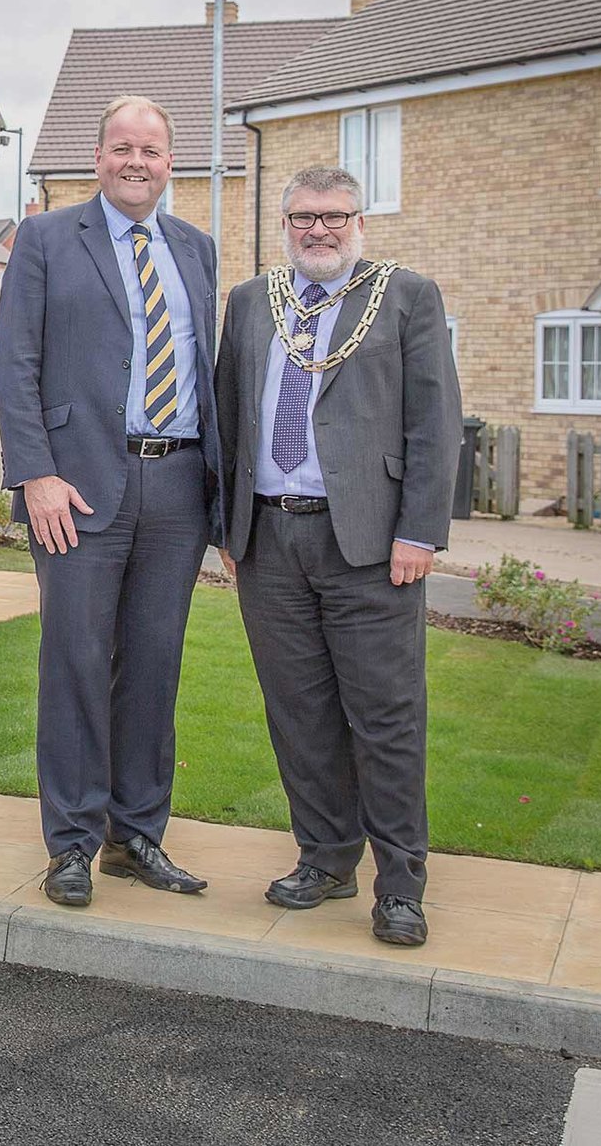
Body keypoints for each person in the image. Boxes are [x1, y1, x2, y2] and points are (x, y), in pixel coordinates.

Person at [215, 166, 459, 947]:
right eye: (303, 217)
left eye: (333, 216)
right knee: (300, 711)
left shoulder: (406, 295)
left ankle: (400, 885)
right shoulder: (252, 302)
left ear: (360, 220)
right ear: (283, 223)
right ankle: (325, 857)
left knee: (385, 715)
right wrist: (227, 528)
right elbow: (227, 416)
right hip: (270, 540)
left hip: (369, 543)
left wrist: (419, 531)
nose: (317, 230)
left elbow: (435, 421)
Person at [0, 96, 222, 909]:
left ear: (171, 162)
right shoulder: (49, 237)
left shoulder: (196, 249)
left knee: (154, 666)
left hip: (178, 486)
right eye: (122, 147)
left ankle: (137, 835)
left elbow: (206, 373)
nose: (137, 162)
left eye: (151, 150)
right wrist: (35, 473)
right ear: (97, 157)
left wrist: (223, 504)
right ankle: (73, 843)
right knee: (77, 660)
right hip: (78, 485)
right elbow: (13, 360)